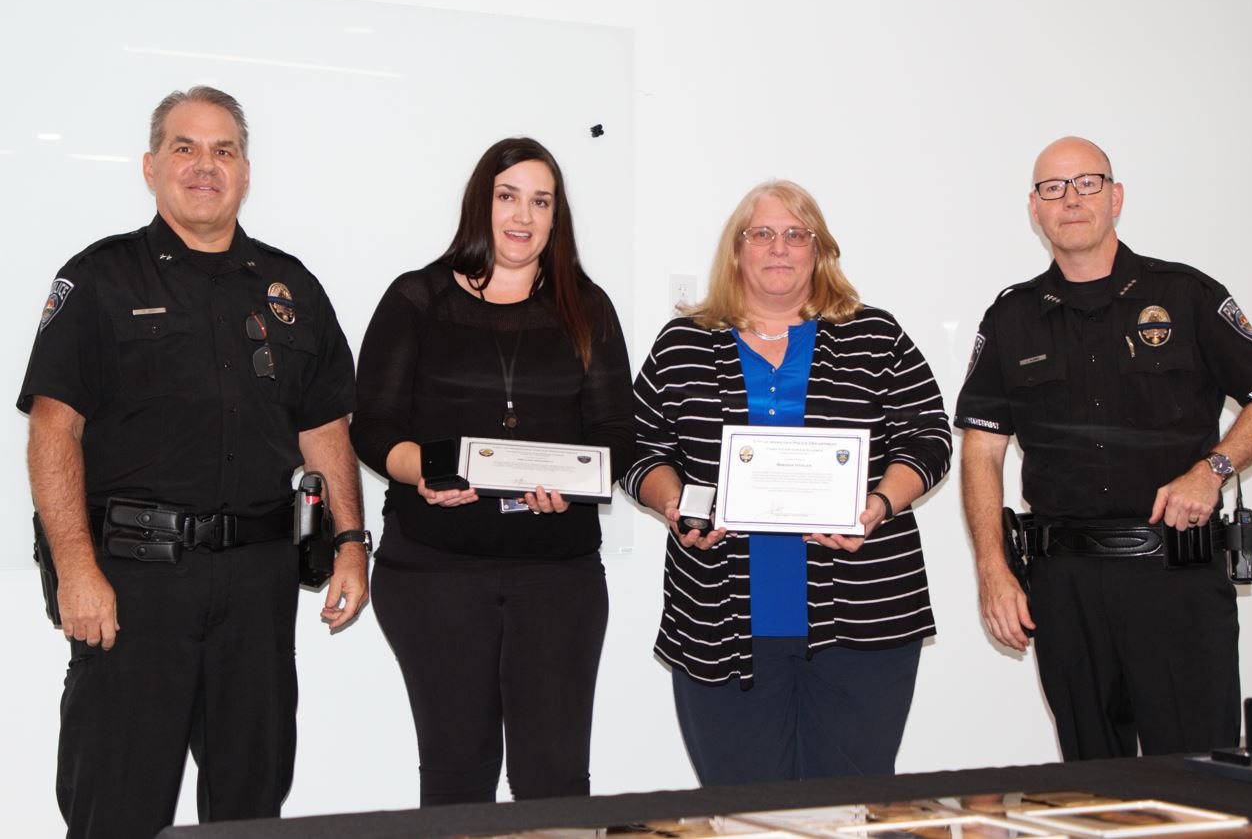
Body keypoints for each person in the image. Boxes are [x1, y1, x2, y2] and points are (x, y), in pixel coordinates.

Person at [19, 86, 369, 839]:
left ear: (245, 172)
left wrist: (350, 544)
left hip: (257, 583)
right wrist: (76, 569)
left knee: (251, 805)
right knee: (115, 806)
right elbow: (52, 432)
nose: (205, 165)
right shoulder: (100, 279)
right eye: (185, 148)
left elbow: (324, 428)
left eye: (223, 150)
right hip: (133, 583)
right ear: (151, 167)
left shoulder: (292, 288)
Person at [955, 136, 1252, 760]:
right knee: (1092, 782)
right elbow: (982, 451)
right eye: (1052, 188)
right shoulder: (1011, 318)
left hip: (1175, 577)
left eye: (1087, 183)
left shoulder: (1188, 296)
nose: (1071, 199)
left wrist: (1212, 470)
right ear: (1035, 210)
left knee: (1197, 775)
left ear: (1116, 198)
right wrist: (992, 570)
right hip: (1066, 585)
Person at [622, 179, 952, 785]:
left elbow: (928, 438)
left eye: (796, 234)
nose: (779, 247)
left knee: (850, 807)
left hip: (863, 616)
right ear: (736, 250)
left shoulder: (875, 336)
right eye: (762, 234)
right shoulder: (683, 343)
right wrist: (674, 502)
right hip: (720, 620)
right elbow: (640, 447)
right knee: (743, 812)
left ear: (818, 251)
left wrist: (878, 504)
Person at [351, 136, 633, 804]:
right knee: (457, 776)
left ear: (556, 217)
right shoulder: (416, 299)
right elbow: (374, 425)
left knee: (555, 781)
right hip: (434, 573)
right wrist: (423, 471)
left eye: (541, 201)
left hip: (556, 576)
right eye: (508, 196)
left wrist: (576, 486)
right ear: (482, 202)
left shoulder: (588, 307)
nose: (523, 215)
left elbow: (616, 433)